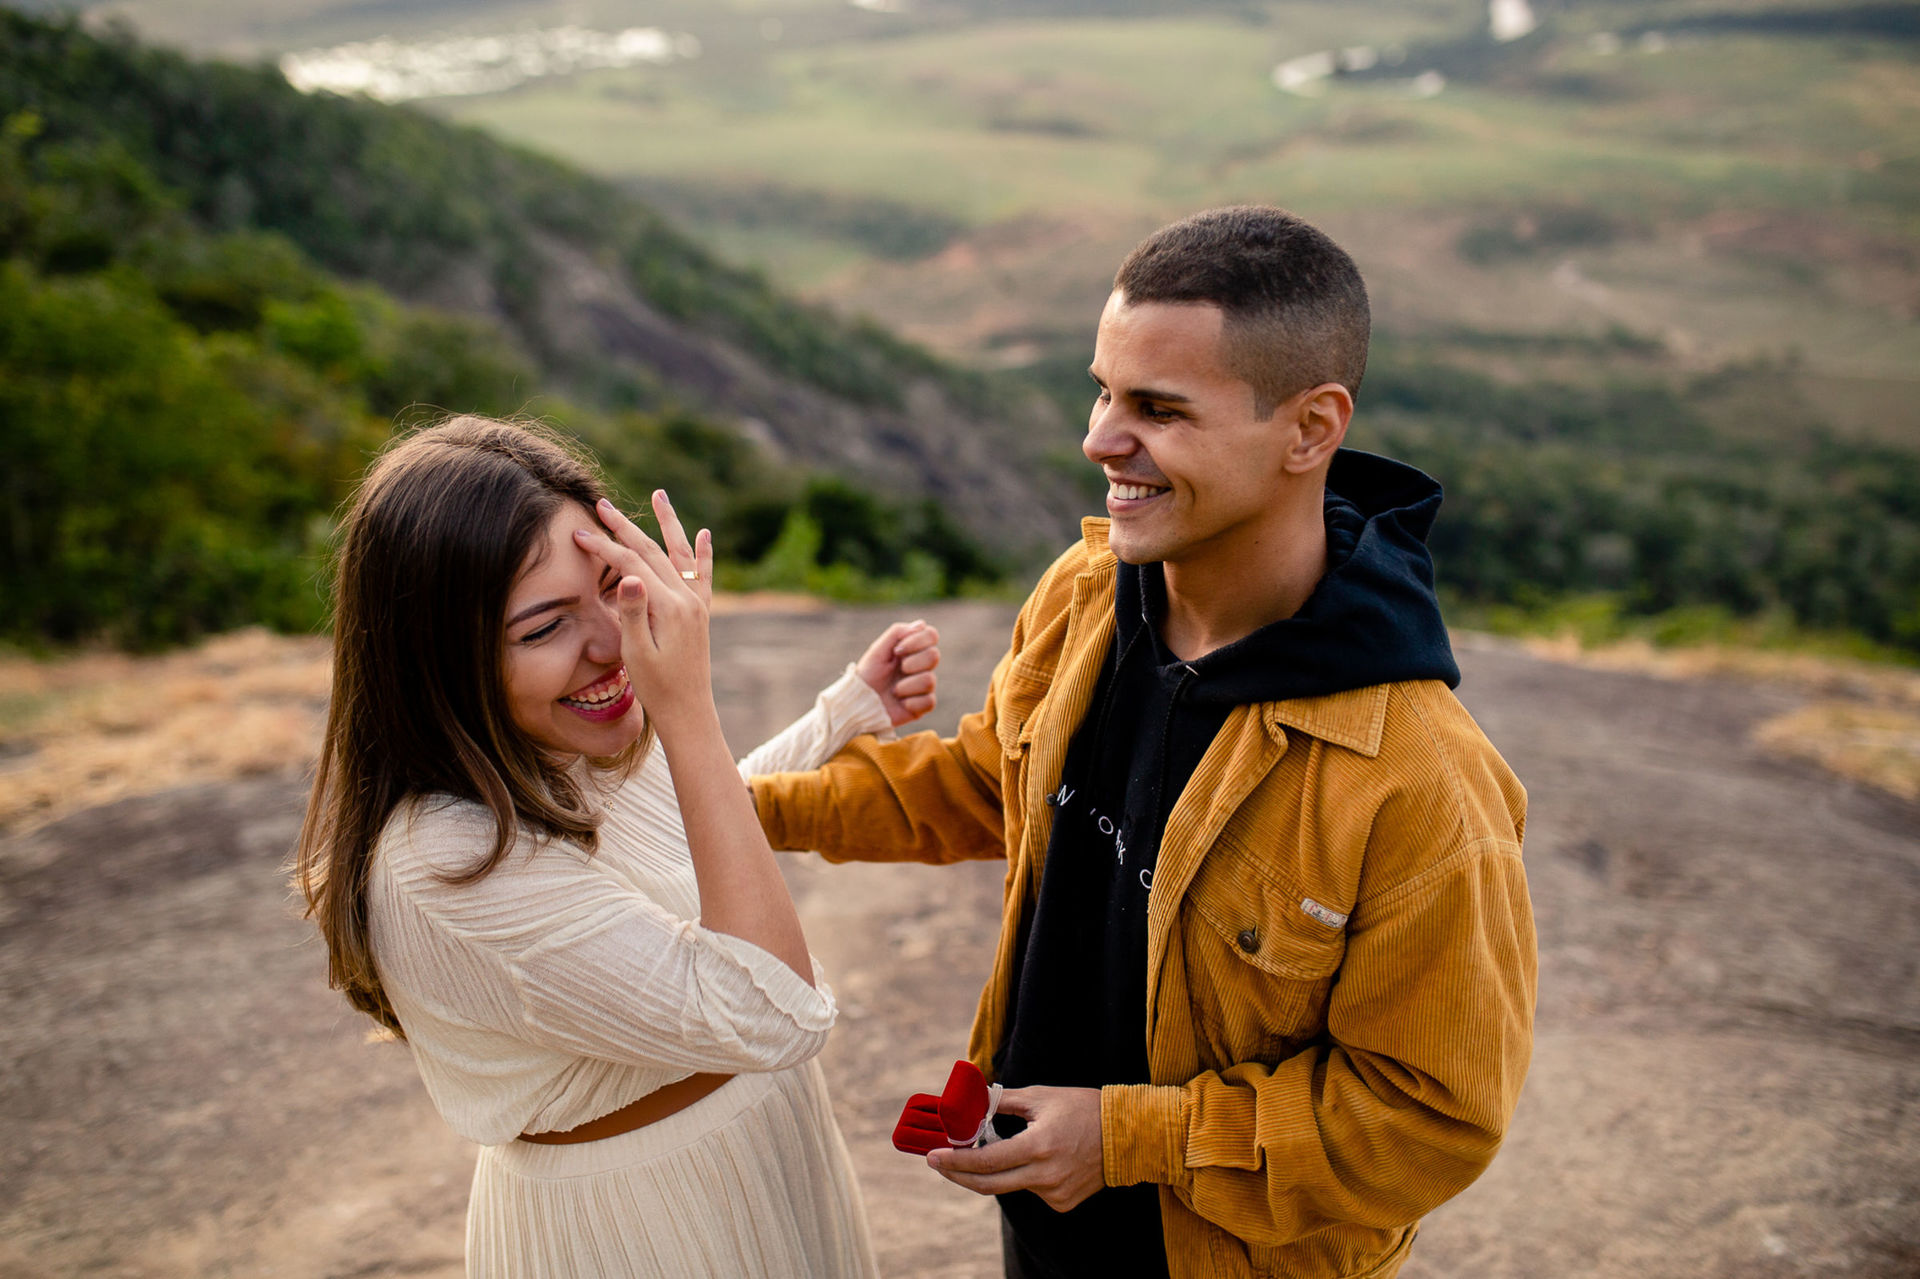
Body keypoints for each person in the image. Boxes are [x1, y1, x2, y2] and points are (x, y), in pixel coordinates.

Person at [750, 207, 1537, 1279]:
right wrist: (731, 801)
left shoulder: (1421, 780)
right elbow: (987, 785)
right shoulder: (1084, 595)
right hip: (1042, 1222)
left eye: (1159, 410)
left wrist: (1126, 1140)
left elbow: (1430, 1118)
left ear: (1311, 429)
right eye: (1103, 390)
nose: (1100, 440)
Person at [294, 416, 942, 1277]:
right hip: (645, 1223)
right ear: (439, 662)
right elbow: (775, 1009)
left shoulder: (555, 745)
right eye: (544, 627)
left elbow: (693, 828)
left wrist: (840, 716)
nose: (616, 642)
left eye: (615, 584)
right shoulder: (439, 866)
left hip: (760, 1158)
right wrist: (687, 710)